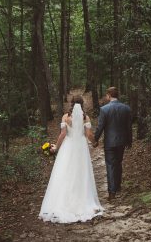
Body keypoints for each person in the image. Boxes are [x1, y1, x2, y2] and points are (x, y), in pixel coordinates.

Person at [38, 95, 103, 223]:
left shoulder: (65, 117)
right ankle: (82, 200)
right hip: (81, 147)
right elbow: (88, 134)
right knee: (81, 173)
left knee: (65, 172)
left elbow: (62, 134)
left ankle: (64, 201)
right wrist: (94, 142)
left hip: (68, 146)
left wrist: (56, 147)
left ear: (72, 104)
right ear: (82, 104)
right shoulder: (86, 117)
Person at [93, 87, 132, 201]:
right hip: (121, 141)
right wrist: (129, 141)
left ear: (109, 95)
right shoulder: (126, 108)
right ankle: (118, 186)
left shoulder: (104, 109)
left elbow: (100, 126)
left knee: (110, 165)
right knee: (118, 163)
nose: (106, 97)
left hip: (109, 142)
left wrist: (95, 139)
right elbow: (128, 127)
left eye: (106, 95)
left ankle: (112, 192)